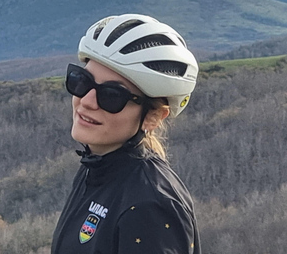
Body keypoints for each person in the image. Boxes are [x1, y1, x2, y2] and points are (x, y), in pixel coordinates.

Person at [51, 14, 201, 254]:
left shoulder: (148, 206)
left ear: (153, 117)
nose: (87, 101)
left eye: (111, 95)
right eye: (81, 81)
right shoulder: (97, 166)